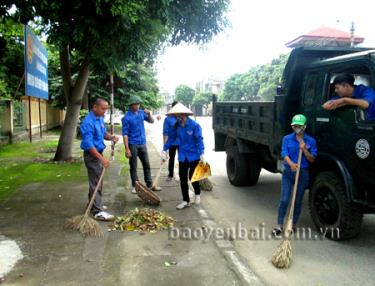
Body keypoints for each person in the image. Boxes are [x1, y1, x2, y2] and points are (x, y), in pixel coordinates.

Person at [272, 114, 317, 236]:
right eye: (294, 126)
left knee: (297, 201)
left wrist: (305, 150)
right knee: (285, 199)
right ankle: (279, 225)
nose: (296, 128)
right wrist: (291, 164)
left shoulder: (310, 141)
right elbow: (284, 153)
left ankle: (292, 225)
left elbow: (312, 159)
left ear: (304, 127)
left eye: (299, 126)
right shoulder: (287, 139)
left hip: (302, 174)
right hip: (288, 172)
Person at [80, 98, 119, 221]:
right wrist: (102, 159)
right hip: (92, 156)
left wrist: (111, 137)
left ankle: (92, 204)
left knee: (97, 181)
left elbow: (103, 133)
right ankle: (97, 211)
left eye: (106, 109)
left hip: (98, 154)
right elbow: (88, 145)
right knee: (96, 182)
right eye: (103, 108)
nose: (105, 111)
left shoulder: (100, 118)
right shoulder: (88, 122)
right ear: (95, 107)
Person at [161, 103, 206, 209]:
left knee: (192, 177)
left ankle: (197, 194)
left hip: (194, 155)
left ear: (185, 115)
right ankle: (185, 200)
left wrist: (202, 153)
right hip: (182, 155)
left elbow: (199, 140)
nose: (178, 118)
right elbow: (171, 138)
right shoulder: (176, 126)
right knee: (182, 178)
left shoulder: (194, 125)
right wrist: (164, 149)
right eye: (176, 116)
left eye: (180, 116)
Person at [122, 95, 161, 193]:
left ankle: (150, 184)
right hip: (132, 144)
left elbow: (152, 121)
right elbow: (125, 134)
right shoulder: (126, 118)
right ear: (131, 105)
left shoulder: (141, 113)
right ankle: (135, 186)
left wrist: (149, 114)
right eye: (136, 104)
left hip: (142, 143)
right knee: (133, 166)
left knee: (147, 164)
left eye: (139, 104)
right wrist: (127, 149)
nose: (138, 106)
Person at [163, 101, 179, 181]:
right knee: (171, 158)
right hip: (172, 143)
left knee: (183, 159)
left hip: (181, 143)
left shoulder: (183, 117)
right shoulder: (168, 119)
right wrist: (164, 149)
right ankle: (170, 174)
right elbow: (165, 133)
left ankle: (183, 175)